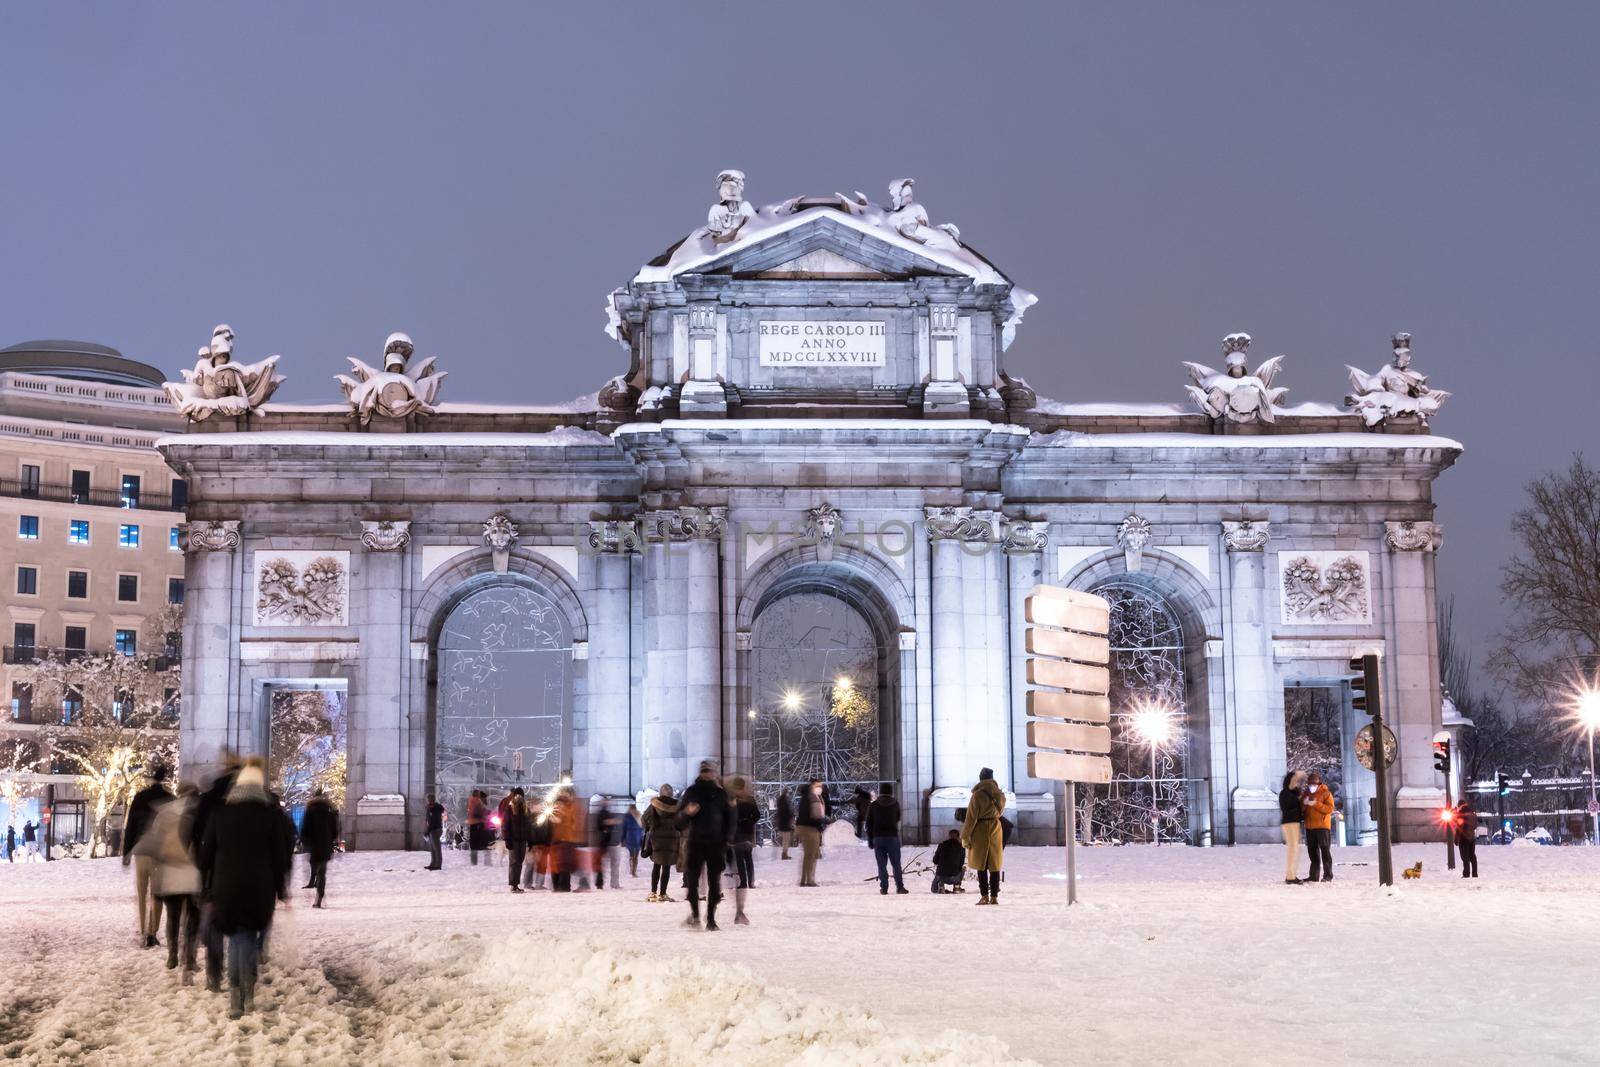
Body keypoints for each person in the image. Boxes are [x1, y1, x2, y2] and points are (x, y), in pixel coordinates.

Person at [199, 759, 292, 1019]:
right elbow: (279, 856)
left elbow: (205, 855)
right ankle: (248, 992)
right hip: (259, 888)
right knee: (248, 939)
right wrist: (281, 889)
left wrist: (205, 883)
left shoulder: (220, 813)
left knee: (234, 941)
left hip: (226, 887)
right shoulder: (270, 815)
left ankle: (235, 996)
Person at [145, 781, 202, 982]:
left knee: (173, 916)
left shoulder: (165, 813)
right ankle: (190, 957)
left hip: (171, 874)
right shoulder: (200, 813)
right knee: (193, 917)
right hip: (194, 873)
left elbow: (155, 845)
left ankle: (172, 955)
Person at [122, 763, 173, 947]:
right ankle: (153, 932)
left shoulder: (139, 798)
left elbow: (131, 828)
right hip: (160, 854)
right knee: (157, 893)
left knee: (141, 892)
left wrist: (126, 853)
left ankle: (143, 930)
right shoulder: (170, 799)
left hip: (141, 851)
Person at [677, 761, 733, 930]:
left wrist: (727, 839)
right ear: (701, 773)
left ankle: (711, 919)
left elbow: (729, 819)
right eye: (704, 771)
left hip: (716, 843)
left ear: (714, 773)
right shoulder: (692, 792)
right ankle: (695, 915)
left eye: (709, 771)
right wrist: (686, 813)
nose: (707, 773)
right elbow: (678, 822)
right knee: (692, 881)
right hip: (696, 841)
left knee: (714, 882)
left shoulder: (720, 793)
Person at [962, 767, 1006, 906]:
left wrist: (965, 836)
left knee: (981, 865)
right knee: (994, 864)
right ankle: (994, 897)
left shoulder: (977, 795)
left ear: (980, 778)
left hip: (980, 829)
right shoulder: (1000, 795)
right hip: (995, 828)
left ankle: (984, 896)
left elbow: (971, 818)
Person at [727, 775, 760, 925]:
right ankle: (750, 881)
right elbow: (757, 815)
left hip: (738, 832)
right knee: (747, 858)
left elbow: (729, 816)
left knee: (741, 858)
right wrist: (750, 821)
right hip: (748, 832)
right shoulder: (750, 799)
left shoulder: (734, 800)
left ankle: (744, 882)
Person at [299, 788, 340, 908]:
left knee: (315, 867)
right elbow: (335, 830)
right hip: (325, 846)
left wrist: (306, 842)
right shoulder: (329, 812)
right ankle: (319, 897)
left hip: (313, 846)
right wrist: (331, 840)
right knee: (322, 873)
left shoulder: (310, 811)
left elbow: (305, 829)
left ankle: (313, 884)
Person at [866, 783, 908, 895]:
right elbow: (898, 818)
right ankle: (900, 887)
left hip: (878, 838)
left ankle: (884, 888)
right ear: (891, 792)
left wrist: (870, 840)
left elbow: (869, 823)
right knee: (896, 864)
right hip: (892, 837)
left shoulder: (874, 805)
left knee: (881, 864)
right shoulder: (895, 804)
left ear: (880, 791)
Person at [642, 785, 681, 902]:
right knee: (666, 867)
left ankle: (653, 893)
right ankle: (663, 894)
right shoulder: (677, 806)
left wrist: (651, 826)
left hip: (656, 839)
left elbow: (644, 819)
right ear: (671, 793)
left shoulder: (654, 805)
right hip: (671, 840)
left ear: (660, 793)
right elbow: (681, 821)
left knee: (656, 865)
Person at [795, 779, 831, 887]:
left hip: (810, 827)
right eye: (817, 785)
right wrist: (823, 821)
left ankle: (806, 879)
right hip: (809, 828)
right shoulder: (810, 797)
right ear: (812, 786)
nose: (820, 788)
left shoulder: (810, 797)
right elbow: (813, 815)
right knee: (810, 855)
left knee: (810, 855)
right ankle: (808, 880)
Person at [1302, 772, 1336, 882]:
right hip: (1310, 827)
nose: (1311, 786)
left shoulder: (1326, 793)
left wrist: (1315, 803)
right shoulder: (1305, 794)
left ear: (1318, 784)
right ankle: (1313, 876)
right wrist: (1304, 804)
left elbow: (1329, 809)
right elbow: (1302, 809)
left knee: (1325, 851)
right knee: (1312, 853)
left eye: (1313, 784)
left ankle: (1328, 876)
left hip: (1322, 827)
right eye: (1309, 784)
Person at [1278, 771, 1306, 885]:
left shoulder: (1294, 793)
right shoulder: (1285, 793)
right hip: (1289, 823)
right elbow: (1287, 808)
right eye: (1294, 780)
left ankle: (1291, 874)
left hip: (1294, 822)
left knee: (1295, 849)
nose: (1296, 782)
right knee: (1293, 849)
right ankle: (1290, 876)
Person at [502, 792, 533, 893]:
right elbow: (505, 826)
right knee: (514, 862)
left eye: (520, 796)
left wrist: (530, 839)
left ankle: (516, 884)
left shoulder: (526, 811)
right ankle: (513, 885)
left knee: (519, 862)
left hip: (522, 841)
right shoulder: (509, 810)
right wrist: (507, 840)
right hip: (513, 841)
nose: (518, 798)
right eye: (517, 796)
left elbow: (529, 826)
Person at [592, 800, 621, 889]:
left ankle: (601, 883)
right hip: (606, 842)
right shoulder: (603, 813)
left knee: (604, 863)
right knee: (606, 863)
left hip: (606, 842)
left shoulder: (605, 813)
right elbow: (601, 824)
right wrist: (611, 822)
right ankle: (603, 883)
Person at [1456, 799, 1480, 879]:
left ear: (1460, 805)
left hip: (1464, 838)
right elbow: (1475, 826)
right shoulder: (1473, 813)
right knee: (1472, 856)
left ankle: (1466, 874)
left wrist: (1456, 838)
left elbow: (1459, 827)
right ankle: (1475, 874)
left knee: (1465, 857)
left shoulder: (1461, 813)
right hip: (1472, 838)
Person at [421, 792, 445, 870]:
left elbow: (433, 822)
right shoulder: (430, 807)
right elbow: (428, 820)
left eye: (428, 799)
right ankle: (433, 864)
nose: (427, 801)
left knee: (437, 849)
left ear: (432, 799)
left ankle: (438, 865)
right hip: (432, 830)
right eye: (427, 799)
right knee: (432, 848)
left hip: (435, 830)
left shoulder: (435, 808)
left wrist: (427, 831)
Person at [466, 790, 489, 866]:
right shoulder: (476, 801)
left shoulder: (471, 800)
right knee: (483, 843)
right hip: (477, 823)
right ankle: (483, 862)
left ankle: (474, 862)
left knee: (474, 844)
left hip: (473, 823)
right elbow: (476, 812)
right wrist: (484, 813)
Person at [622, 803, 644, 877]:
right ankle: (634, 870)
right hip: (638, 836)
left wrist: (622, 839)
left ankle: (632, 870)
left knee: (631, 854)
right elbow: (642, 829)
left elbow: (623, 829)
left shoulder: (627, 816)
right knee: (636, 855)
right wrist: (642, 840)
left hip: (629, 836)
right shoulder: (639, 815)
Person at [773, 788, 795, 860]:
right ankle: (784, 854)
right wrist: (791, 815)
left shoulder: (780, 802)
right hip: (785, 823)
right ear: (786, 793)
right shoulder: (785, 802)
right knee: (786, 839)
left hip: (781, 823)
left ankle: (783, 853)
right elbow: (787, 813)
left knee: (784, 839)